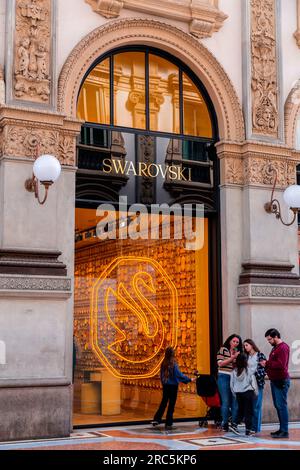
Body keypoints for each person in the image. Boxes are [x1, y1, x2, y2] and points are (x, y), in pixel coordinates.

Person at [151, 347, 195, 430]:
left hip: (166, 385)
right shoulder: (173, 363)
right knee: (171, 404)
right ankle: (169, 422)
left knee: (163, 402)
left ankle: (157, 419)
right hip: (173, 386)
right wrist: (188, 379)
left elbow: (161, 375)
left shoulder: (163, 363)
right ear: (172, 354)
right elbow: (178, 374)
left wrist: (163, 383)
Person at [260, 328, 290, 438]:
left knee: (281, 406)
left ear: (276, 336)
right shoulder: (275, 348)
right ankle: (281, 429)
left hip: (281, 381)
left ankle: (284, 431)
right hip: (275, 381)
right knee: (278, 406)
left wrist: (266, 363)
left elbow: (281, 365)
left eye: (270, 339)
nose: (269, 341)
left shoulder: (283, 348)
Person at [217, 334, 243, 432]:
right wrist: (232, 358)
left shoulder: (238, 352)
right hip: (224, 376)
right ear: (229, 341)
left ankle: (234, 423)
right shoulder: (223, 350)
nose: (235, 343)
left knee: (235, 401)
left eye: (237, 342)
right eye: (234, 341)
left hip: (235, 377)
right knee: (226, 401)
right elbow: (220, 363)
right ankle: (225, 423)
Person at [230, 353, 258, 436]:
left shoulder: (234, 371)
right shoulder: (248, 370)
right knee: (248, 412)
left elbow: (232, 384)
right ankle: (248, 430)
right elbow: (253, 382)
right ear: (246, 361)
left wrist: (234, 393)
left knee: (241, 410)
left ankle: (234, 424)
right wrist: (256, 392)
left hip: (238, 394)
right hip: (248, 393)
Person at [243, 339, 267, 433]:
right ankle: (250, 427)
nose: (245, 347)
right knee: (249, 406)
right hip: (247, 384)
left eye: (247, 345)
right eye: (244, 345)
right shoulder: (246, 356)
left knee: (256, 406)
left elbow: (263, 370)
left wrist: (254, 375)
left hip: (257, 383)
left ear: (252, 345)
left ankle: (255, 428)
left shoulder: (260, 355)